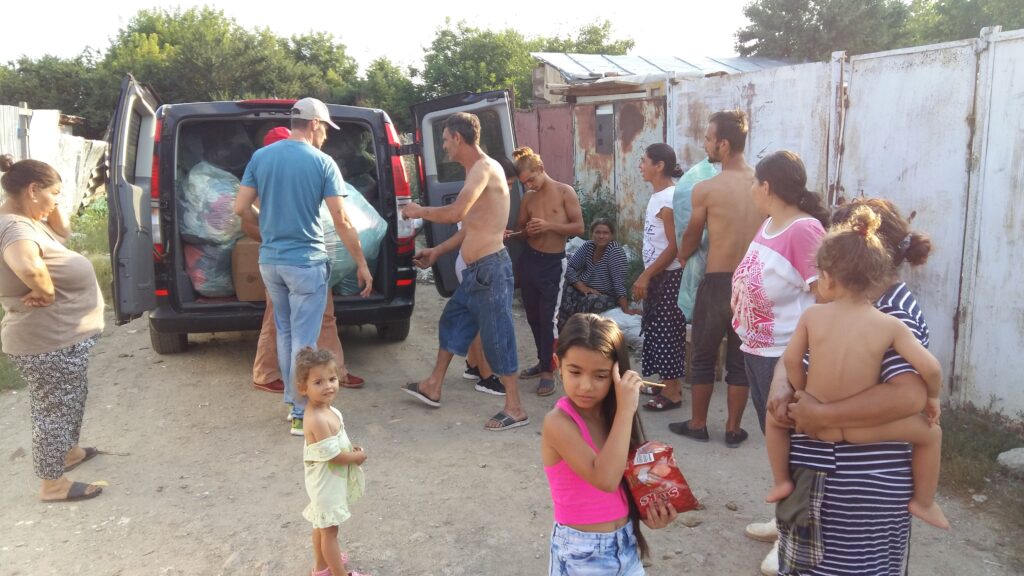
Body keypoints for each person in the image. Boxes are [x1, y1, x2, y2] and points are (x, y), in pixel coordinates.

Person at [756, 198, 939, 576]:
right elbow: (792, 357)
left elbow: (908, 395)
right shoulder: (851, 308)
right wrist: (782, 387)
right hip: (824, 469)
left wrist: (822, 415)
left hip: (848, 478)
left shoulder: (893, 312)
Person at [235, 97, 373, 436]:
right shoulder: (323, 162)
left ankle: (292, 402)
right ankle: (302, 412)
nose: (326, 134)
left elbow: (240, 208)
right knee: (306, 340)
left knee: (285, 333)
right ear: (313, 124)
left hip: (271, 262)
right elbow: (340, 218)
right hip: (306, 263)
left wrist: (269, 225)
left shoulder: (261, 157)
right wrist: (361, 263)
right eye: (325, 127)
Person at [401, 112, 526, 431]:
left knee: (498, 336)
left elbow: (456, 212)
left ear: (458, 138)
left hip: (490, 270)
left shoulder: (483, 169)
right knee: (453, 321)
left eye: (444, 140)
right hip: (477, 272)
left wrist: (418, 211)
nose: (443, 146)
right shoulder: (476, 171)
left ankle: (515, 407)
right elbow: (467, 226)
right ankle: (433, 385)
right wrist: (437, 251)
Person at [0, 155, 105, 501]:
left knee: (71, 398)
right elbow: (28, 267)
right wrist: (44, 289)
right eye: (54, 194)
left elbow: (63, 231)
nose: (57, 203)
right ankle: (53, 484)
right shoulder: (15, 227)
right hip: (46, 341)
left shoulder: (27, 218)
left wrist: (47, 200)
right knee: (54, 411)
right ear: (33, 190)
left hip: (61, 338)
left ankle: (69, 452)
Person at [541, 313, 678, 575]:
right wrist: (626, 410)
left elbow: (622, 486)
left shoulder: (613, 417)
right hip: (581, 554)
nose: (586, 386)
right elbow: (605, 479)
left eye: (601, 375)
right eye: (575, 371)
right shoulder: (558, 423)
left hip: (625, 546)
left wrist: (652, 513)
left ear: (617, 374)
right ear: (558, 364)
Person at [246, 126, 363, 395]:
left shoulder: (290, 175)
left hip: (306, 259)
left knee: (323, 317)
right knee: (282, 324)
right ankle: (275, 380)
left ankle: (334, 372)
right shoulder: (266, 182)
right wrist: (277, 235)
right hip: (290, 262)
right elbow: (246, 221)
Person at [670, 110, 763, 447]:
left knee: (704, 356)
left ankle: (698, 423)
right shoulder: (762, 187)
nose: (705, 144)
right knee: (740, 358)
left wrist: (684, 252)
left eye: (709, 138)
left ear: (723, 144)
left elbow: (691, 240)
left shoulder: (706, 189)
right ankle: (733, 429)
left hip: (718, 280)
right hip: (752, 283)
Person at [512, 147, 584, 397]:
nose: (529, 185)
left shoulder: (565, 191)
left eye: (531, 179)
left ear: (541, 169)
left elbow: (579, 227)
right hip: (530, 260)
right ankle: (544, 360)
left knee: (548, 318)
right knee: (532, 316)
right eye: (524, 183)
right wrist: (526, 232)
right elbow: (520, 229)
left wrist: (549, 225)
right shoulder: (528, 198)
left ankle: (547, 371)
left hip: (553, 263)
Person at [296, 347, 370, 576]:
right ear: (303, 387)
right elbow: (335, 457)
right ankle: (339, 573)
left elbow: (336, 444)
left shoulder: (328, 409)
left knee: (321, 525)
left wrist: (350, 448)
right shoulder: (317, 418)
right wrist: (357, 457)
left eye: (332, 379)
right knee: (330, 532)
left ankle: (321, 567)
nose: (328, 386)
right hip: (325, 484)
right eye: (318, 382)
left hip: (327, 481)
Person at [634, 144, 686, 412]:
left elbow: (674, 247)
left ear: (659, 166)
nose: (640, 166)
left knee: (667, 333)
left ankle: (673, 393)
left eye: (644, 161)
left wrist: (646, 275)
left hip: (668, 277)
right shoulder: (660, 196)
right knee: (656, 329)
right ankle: (664, 384)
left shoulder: (668, 199)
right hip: (658, 276)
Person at [462, 156, 518, 392]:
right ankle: (487, 376)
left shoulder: (478, 194)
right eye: (509, 183)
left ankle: (474, 366)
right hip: (480, 263)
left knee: (472, 321)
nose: (510, 190)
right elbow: (461, 225)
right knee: (493, 327)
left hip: (473, 262)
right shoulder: (481, 195)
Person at [556, 217, 630, 332]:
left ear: (612, 235)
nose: (601, 236)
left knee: (590, 301)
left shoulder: (614, 251)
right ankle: (562, 330)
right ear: (592, 234)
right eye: (597, 232)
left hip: (604, 295)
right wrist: (582, 286)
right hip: (583, 288)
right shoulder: (588, 246)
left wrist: (626, 309)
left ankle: (577, 331)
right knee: (564, 286)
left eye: (605, 233)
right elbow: (569, 267)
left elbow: (618, 283)